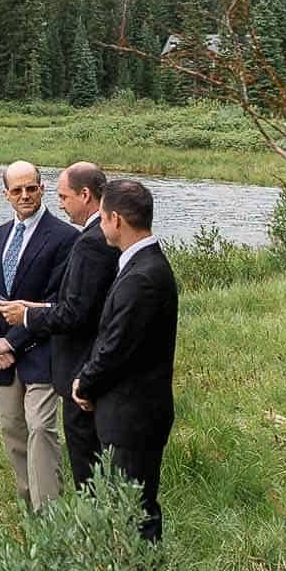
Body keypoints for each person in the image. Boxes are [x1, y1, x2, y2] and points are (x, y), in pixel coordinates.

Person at [70, 177, 178, 545]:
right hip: (129, 412)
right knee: (125, 509)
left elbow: (117, 344)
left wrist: (85, 383)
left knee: (137, 513)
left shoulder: (144, 276)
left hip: (134, 416)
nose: (99, 225)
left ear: (116, 219)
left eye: (101, 217)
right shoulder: (140, 264)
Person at [7, 163, 119, 489]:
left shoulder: (90, 242)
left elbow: (77, 314)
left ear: (85, 195)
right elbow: (85, 303)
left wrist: (28, 317)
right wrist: (41, 307)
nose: (60, 203)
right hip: (91, 366)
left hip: (80, 367)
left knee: (88, 463)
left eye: (64, 196)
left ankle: (95, 530)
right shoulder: (101, 236)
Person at [0, 160, 77, 513]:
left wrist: (13, 341)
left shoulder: (66, 238)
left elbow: (56, 301)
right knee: (13, 431)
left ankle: (48, 511)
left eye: (31, 188)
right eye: (16, 190)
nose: (25, 195)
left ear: (42, 188)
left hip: (43, 353)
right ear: (5, 193)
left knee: (41, 430)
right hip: (2, 357)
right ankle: (28, 505)